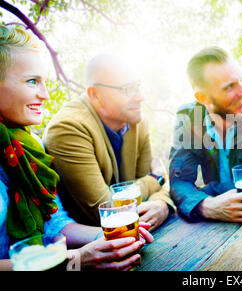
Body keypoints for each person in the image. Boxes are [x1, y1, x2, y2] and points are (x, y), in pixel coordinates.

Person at [0, 25, 153, 271]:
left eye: (44, 82)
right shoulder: (68, 128)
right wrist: (74, 261)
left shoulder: (31, 147)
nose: (45, 95)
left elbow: (56, 225)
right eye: (32, 82)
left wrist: (104, 240)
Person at [44, 54, 176, 230]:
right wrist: (156, 179)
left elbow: (157, 192)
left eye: (138, 87)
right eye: (128, 89)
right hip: (92, 246)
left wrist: (162, 205)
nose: (141, 97)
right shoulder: (67, 128)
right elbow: (106, 212)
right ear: (95, 95)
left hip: (137, 236)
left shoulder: (136, 121)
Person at [169, 46, 242, 222]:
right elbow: (179, 181)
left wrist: (198, 196)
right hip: (211, 228)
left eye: (241, 81)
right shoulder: (188, 117)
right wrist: (206, 206)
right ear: (203, 98)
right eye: (230, 87)